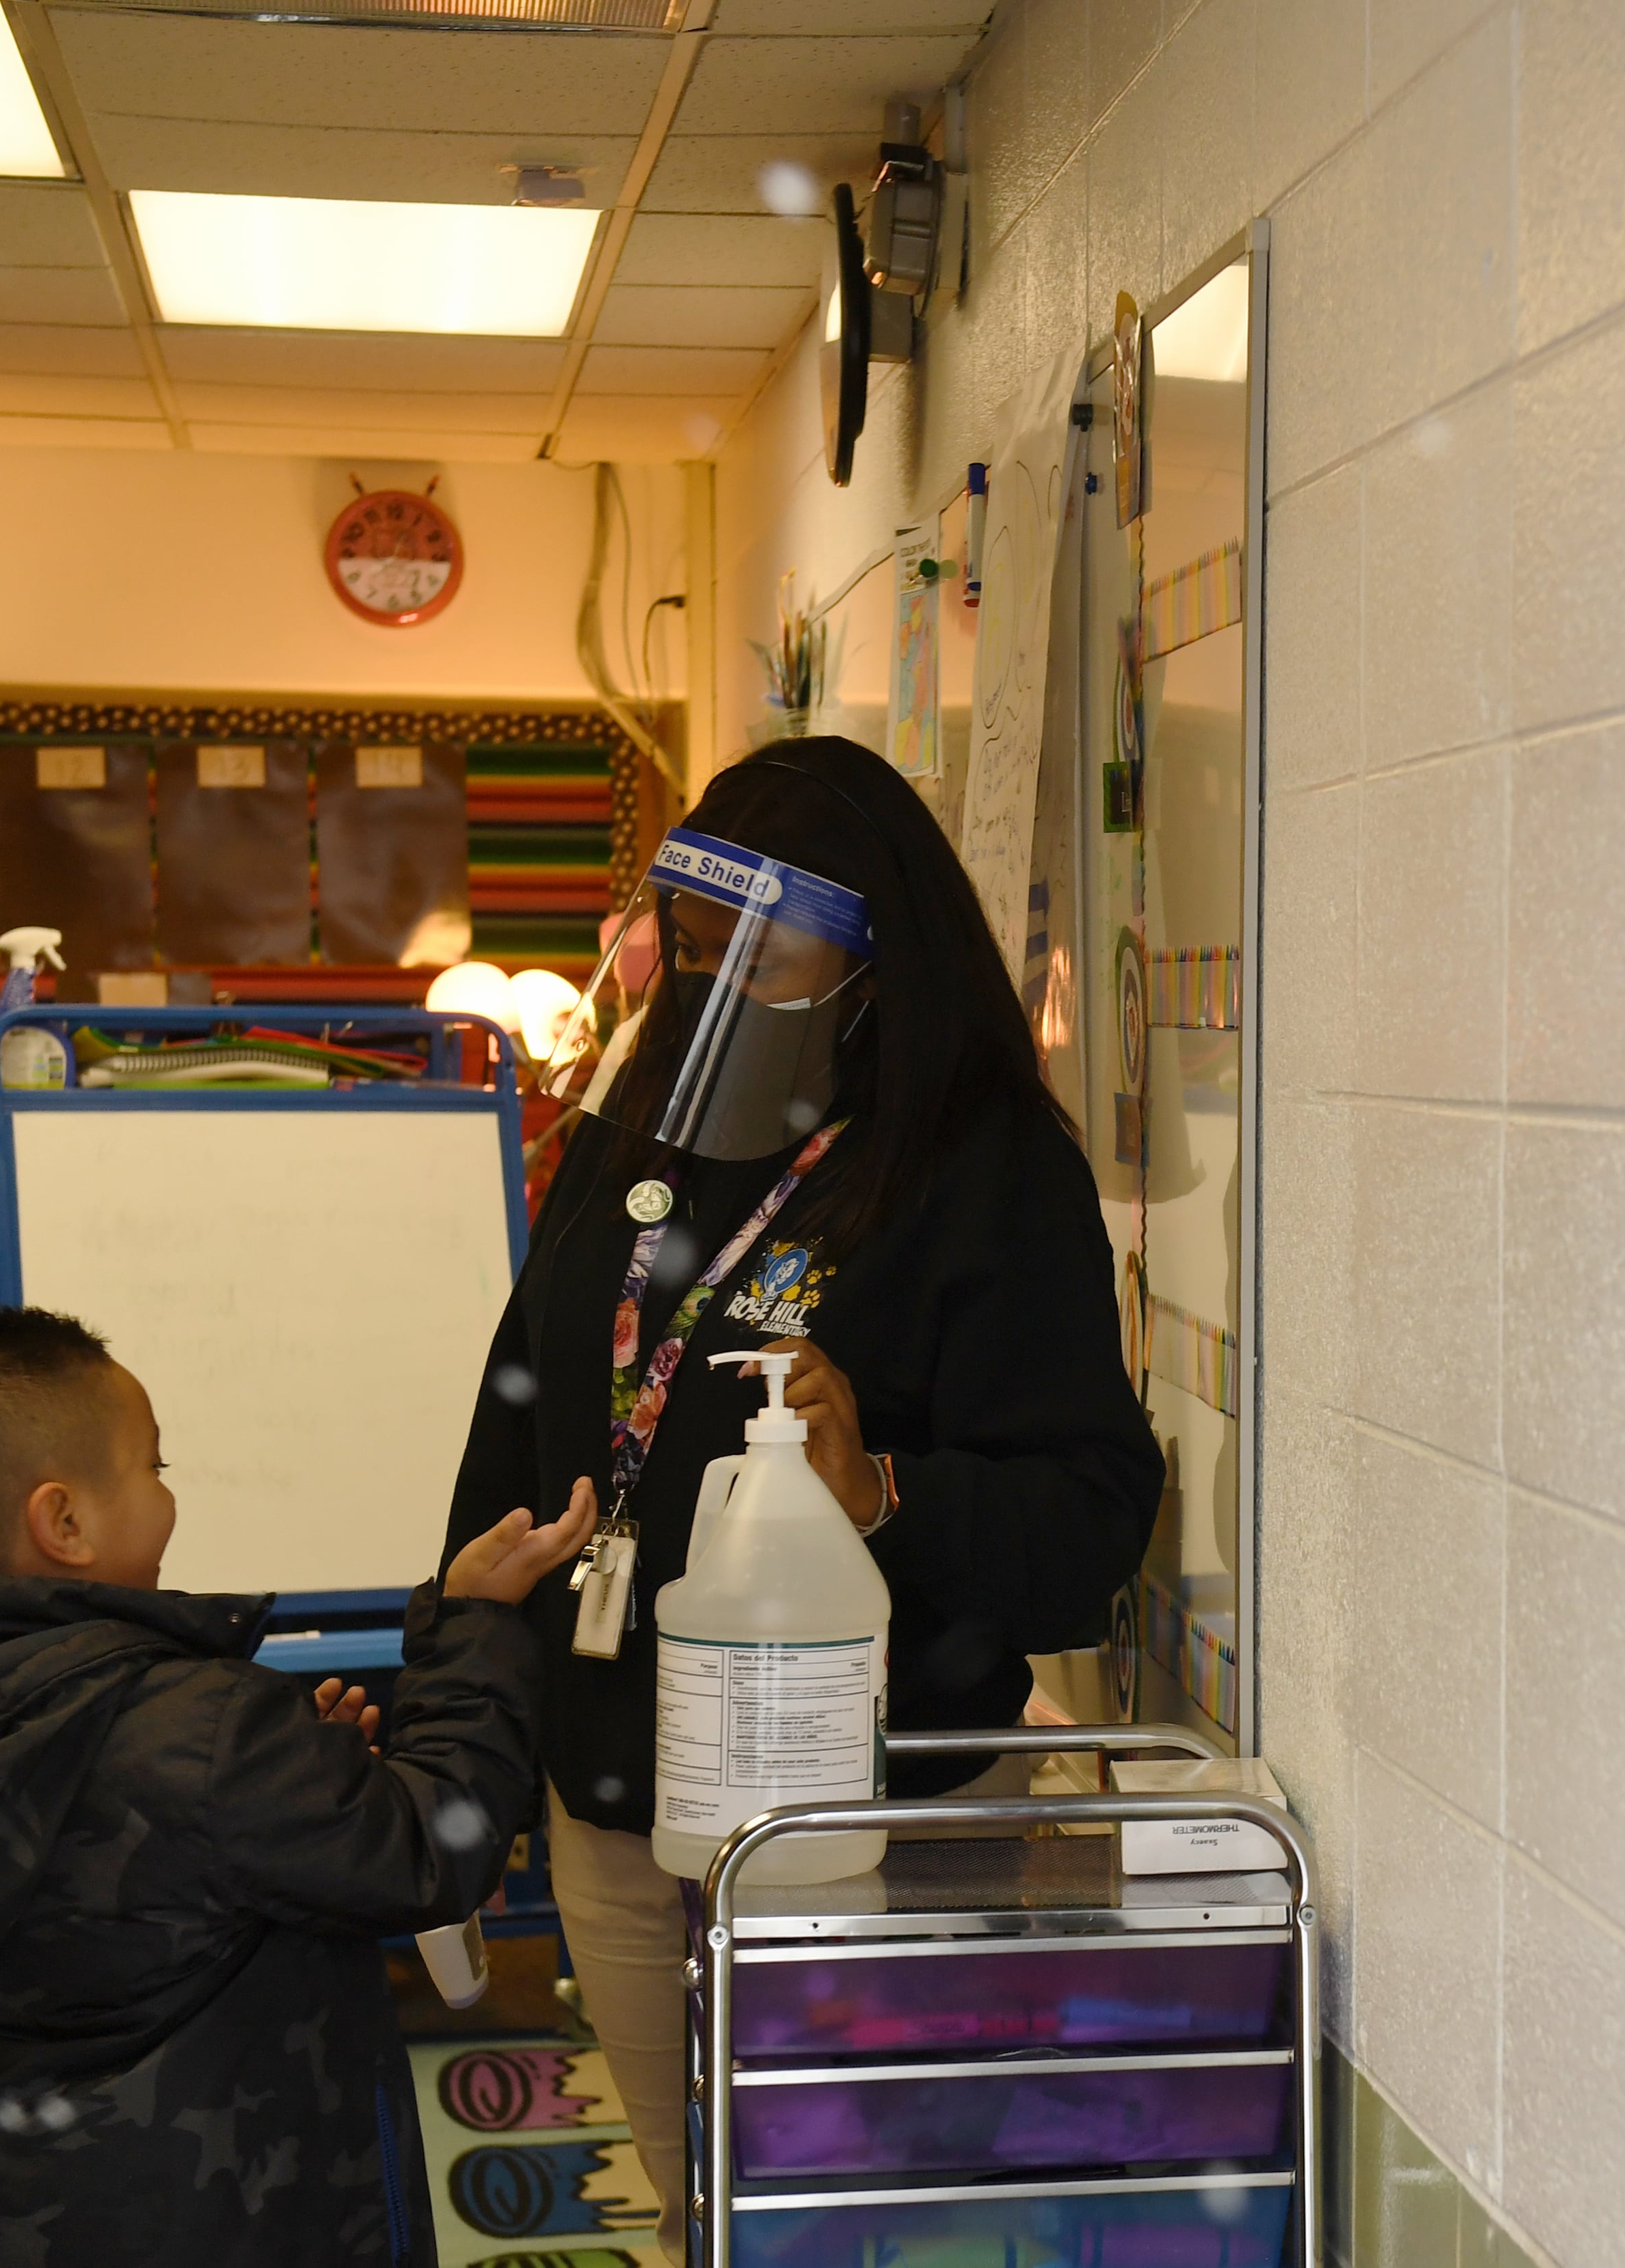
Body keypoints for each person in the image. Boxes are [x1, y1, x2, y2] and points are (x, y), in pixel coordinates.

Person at [442, 735, 1160, 2256]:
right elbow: (525, 1403)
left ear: (877, 961)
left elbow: (1089, 1509)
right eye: (692, 951)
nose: (714, 989)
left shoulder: (987, 1170)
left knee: (857, 2220)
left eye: (761, 958)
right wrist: (461, 1668)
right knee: (705, 2213)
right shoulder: (639, 1129)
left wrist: (886, 1485)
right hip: (619, 1796)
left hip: (866, 1822)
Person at [0, 1306, 596, 2267]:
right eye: (156, 1467)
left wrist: (305, 1789)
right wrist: (473, 1630)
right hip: (222, 2222)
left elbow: (124, 1875)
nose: (168, 1495)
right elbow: (434, 1847)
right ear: (62, 1521)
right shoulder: (203, 1728)